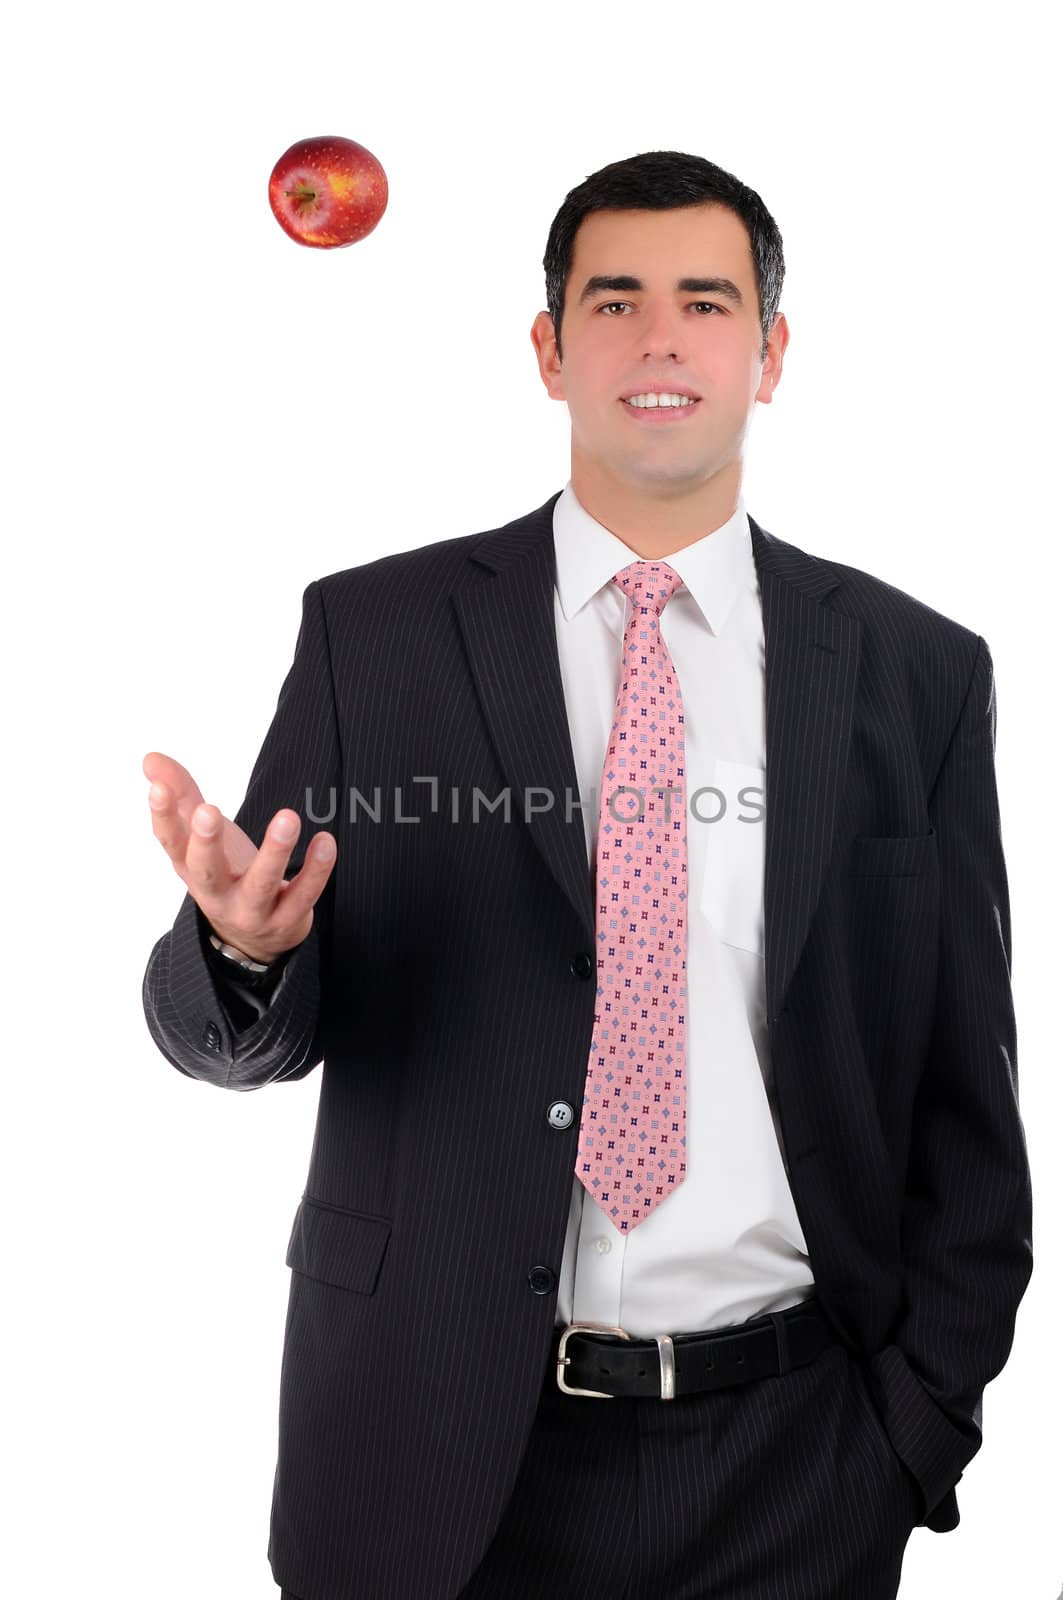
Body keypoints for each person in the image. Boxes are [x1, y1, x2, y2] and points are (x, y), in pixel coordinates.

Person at [141, 150, 1033, 1600]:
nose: (661, 339)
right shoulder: (379, 635)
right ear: (551, 352)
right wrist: (240, 951)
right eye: (613, 302)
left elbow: (964, 1096)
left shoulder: (915, 673)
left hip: (799, 1461)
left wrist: (910, 1439)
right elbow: (251, 1028)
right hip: (430, 1463)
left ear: (772, 350)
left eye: (706, 301)